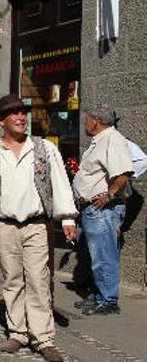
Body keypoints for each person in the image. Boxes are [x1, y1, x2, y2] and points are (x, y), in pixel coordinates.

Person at [0, 95, 78, 362]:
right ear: (1, 121)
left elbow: (60, 183)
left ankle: (43, 338)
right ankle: (18, 332)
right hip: (4, 226)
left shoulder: (43, 148)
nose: (20, 118)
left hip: (37, 225)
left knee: (39, 280)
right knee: (12, 280)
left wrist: (67, 219)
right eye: (14, 114)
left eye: (23, 113)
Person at [72, 105, 134, 315]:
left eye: (87, 119)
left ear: (96, 120)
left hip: (102, 210)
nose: (85, 123)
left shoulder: (112, 139)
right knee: (94, 255)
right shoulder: (100, 141)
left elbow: (123, 172)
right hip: (91, 209)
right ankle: (98, 295)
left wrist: (109, 195)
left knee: (104, 255)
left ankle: (108, 300)